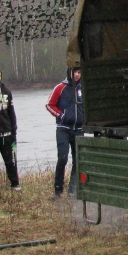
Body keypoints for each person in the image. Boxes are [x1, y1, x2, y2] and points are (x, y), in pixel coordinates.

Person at [45, 67, 83, 197]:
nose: (76, 75)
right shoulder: (60, 87)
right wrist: (61, 116)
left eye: (79, 72)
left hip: (79, 129)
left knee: (78, 160)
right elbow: (49, 105)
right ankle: (58, 189)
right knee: (63, 158)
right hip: (63, 129)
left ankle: (72, 190)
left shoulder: (84, 88)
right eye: (74, 72)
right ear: (69, 72)